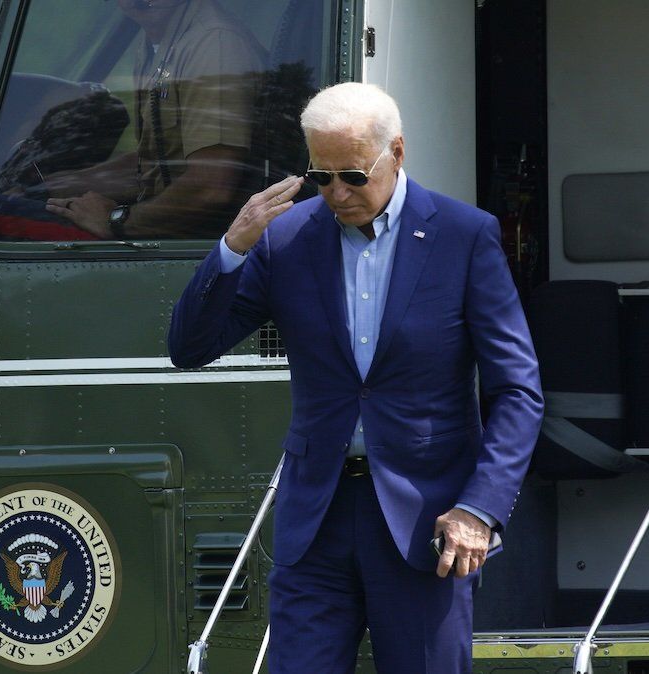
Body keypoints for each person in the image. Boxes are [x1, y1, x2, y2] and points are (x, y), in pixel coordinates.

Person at [168, 83, 543, 673]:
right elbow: (189, 348)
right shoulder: (286, 240)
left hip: (428, 524)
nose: (337, 193)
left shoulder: (463, 235)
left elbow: (517, 390)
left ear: (396, 152)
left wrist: (480, 508)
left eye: (352, 176)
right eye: (321, 177)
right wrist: (234, 247)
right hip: (316, 521)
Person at [32, 0, 266, 240]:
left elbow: (210, 187)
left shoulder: (214, 44)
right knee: (18, 206)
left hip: (200, 244)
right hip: (168, 230)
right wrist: (49, 186)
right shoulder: (157, 41)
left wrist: (117, 221)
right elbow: (154, 164)